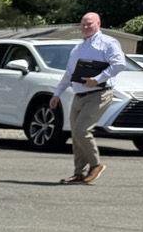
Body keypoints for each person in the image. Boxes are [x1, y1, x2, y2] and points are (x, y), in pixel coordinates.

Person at [53, 12, 126, 184]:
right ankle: (79, 173)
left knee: (82, 130)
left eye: (90, 24)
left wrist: (97, 79)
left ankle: (96, 165)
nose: (85, 27)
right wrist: (57, 93)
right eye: (83, 24)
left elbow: (119, 64)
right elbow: (69, 74)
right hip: (79, 95)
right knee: (76, 134)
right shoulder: (77, 48)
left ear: (99, 23)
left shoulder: (108, 43)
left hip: (100, 93)